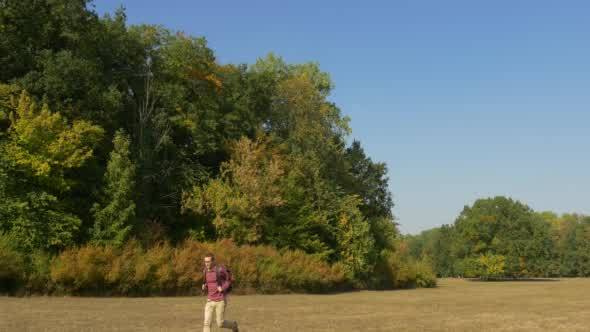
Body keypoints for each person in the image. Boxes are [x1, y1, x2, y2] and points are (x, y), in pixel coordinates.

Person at [201, 253, 239, 332]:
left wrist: (223, 288)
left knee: (220, 324)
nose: (206, 264)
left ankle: (233, 325)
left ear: (213, 261)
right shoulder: (205, 271)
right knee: (206, 323)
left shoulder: (220, 270)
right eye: (205, 262)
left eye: (208, 262)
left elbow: (229, 280)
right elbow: (208, 283)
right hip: (209, 300)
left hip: (220, 300)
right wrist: (205, 286)